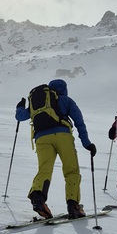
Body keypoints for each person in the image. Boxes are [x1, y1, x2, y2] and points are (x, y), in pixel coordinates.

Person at [15, 78, 96, 219]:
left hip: (41, 138)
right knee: (71, 171)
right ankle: (73, 205)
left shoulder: (39, 102)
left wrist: (20, 107)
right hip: (63, 136)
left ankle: (38, 198)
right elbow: (79, 122)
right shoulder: (66, 100)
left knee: (44, 170)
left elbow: (20, 117)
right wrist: (87, 143)